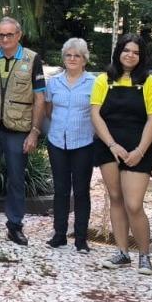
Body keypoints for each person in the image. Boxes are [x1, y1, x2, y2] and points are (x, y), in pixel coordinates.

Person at [91, 33, 152, 275]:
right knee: (116, 198)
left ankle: (144, 255)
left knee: (134, 204)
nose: (130, 55)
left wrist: (140, 151)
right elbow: (96, 115)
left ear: (141, 57)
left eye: (136, 52)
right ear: (118, 52)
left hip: (137, 147)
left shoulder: (150, 83)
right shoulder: (104, 80)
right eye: (126, 50)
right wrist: (112, 145)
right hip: (109, 146)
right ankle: (122, 252)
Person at [0, 17, 45, 245]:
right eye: (0, 35)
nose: (4, 39)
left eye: (9, 35)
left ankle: (15, 226)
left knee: (15, 179)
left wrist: (34, 132)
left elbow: (40, 97)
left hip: (18, 129)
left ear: (18, 35)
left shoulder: (32, 59)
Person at [43, 38, 96, 252]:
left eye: (77, 56)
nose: (72, 59)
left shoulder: (93, 83)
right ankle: (59, 234)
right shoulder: (54, 82)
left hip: (84, 142)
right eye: (68, 55)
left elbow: (98, 112)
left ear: (84, 60)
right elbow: (48, 109)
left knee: (82, 191)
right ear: (63, 58)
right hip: (57, 141)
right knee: (61, 190)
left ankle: (81, 238)